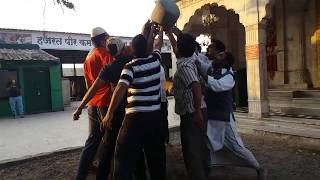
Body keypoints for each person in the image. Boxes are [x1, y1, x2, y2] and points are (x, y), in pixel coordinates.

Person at [101, 23, 165, 180]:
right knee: (156, 157)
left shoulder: (130, 66)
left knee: (122, 158)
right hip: (154, 119)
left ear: (133, 50)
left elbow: (120, 89)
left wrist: (109, 114)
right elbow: (157, 45)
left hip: (134, 119)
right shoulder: (156, 60)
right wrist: (160, 32)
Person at [196, 48, 266, 180]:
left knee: (236, 146)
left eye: (220, 56)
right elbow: (198, 61)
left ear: (226, 62)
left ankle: (258, 167)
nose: (216, 56)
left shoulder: (229, 76)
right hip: (211, 116)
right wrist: (174, 34)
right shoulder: (212, 69)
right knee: (208, 142)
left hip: (224, 118)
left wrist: (201, 73)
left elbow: (216, 85)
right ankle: (209, 168)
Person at [166, 27, 209, 180]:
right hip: (197, 110)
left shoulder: (184, 66)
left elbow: (196, 87)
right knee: (199, 147)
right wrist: (171, 34)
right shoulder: (190, 58)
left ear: (180, 49)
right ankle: (204, 173)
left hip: (192, 113)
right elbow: (178, 50)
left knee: (191, 151)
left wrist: (197, 112)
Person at [73, 27, 113, 180]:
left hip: (93, 103)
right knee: (109, 140)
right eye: (108, 37)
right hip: (106, 103)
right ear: (103, 40)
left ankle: (80, 175)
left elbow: (88, 84)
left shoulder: (88, 58)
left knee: (92, 140)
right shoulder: (107, 54)